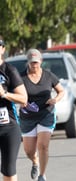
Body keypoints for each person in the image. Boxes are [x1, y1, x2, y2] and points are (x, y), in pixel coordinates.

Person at [19, 49, 64, 181]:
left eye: (36, 62)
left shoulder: (49, 76)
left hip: (46, 114)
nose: (34, 65)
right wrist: (21, 102)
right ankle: (35, 161)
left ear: (41, 62)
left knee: (43, 145)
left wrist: (56, 99)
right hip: (27, 117)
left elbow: (61, 91)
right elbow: (15, 93)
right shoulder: (21, 78)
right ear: (28, 63)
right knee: (28, 151)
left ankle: (42, 175)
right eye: (32, 63)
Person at [0, 39, 28, 181]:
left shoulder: (9, 70)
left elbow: (23, 98)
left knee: (9, 171)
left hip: (8, 128)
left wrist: (4, 94)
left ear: (3, 49)